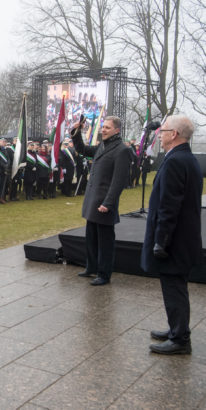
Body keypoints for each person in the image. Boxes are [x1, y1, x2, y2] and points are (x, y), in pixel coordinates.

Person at [141, 115, 202, 355]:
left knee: (174, 287)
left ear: (174, 134)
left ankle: (180, 339)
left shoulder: (176, 161)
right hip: (182, 238)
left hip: (174, 241)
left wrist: (160, 241)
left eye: (163, 130)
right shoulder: (184, 158)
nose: (159, 134)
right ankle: (176, 328)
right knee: (175, 287)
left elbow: (169, 206)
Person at [71, 116, 132, 285]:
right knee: (91, 237)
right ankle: (91, 267)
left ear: (117, 130)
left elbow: (118, 181)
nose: (103, 130)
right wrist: (76, 133)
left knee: (105, 242)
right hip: (93, 201)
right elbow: (82, 149)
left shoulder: (122, 150)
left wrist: (108, 203)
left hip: (104, 203)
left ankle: (104, 274)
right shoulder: (103, 146)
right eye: (103, 127)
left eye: (107, 127)